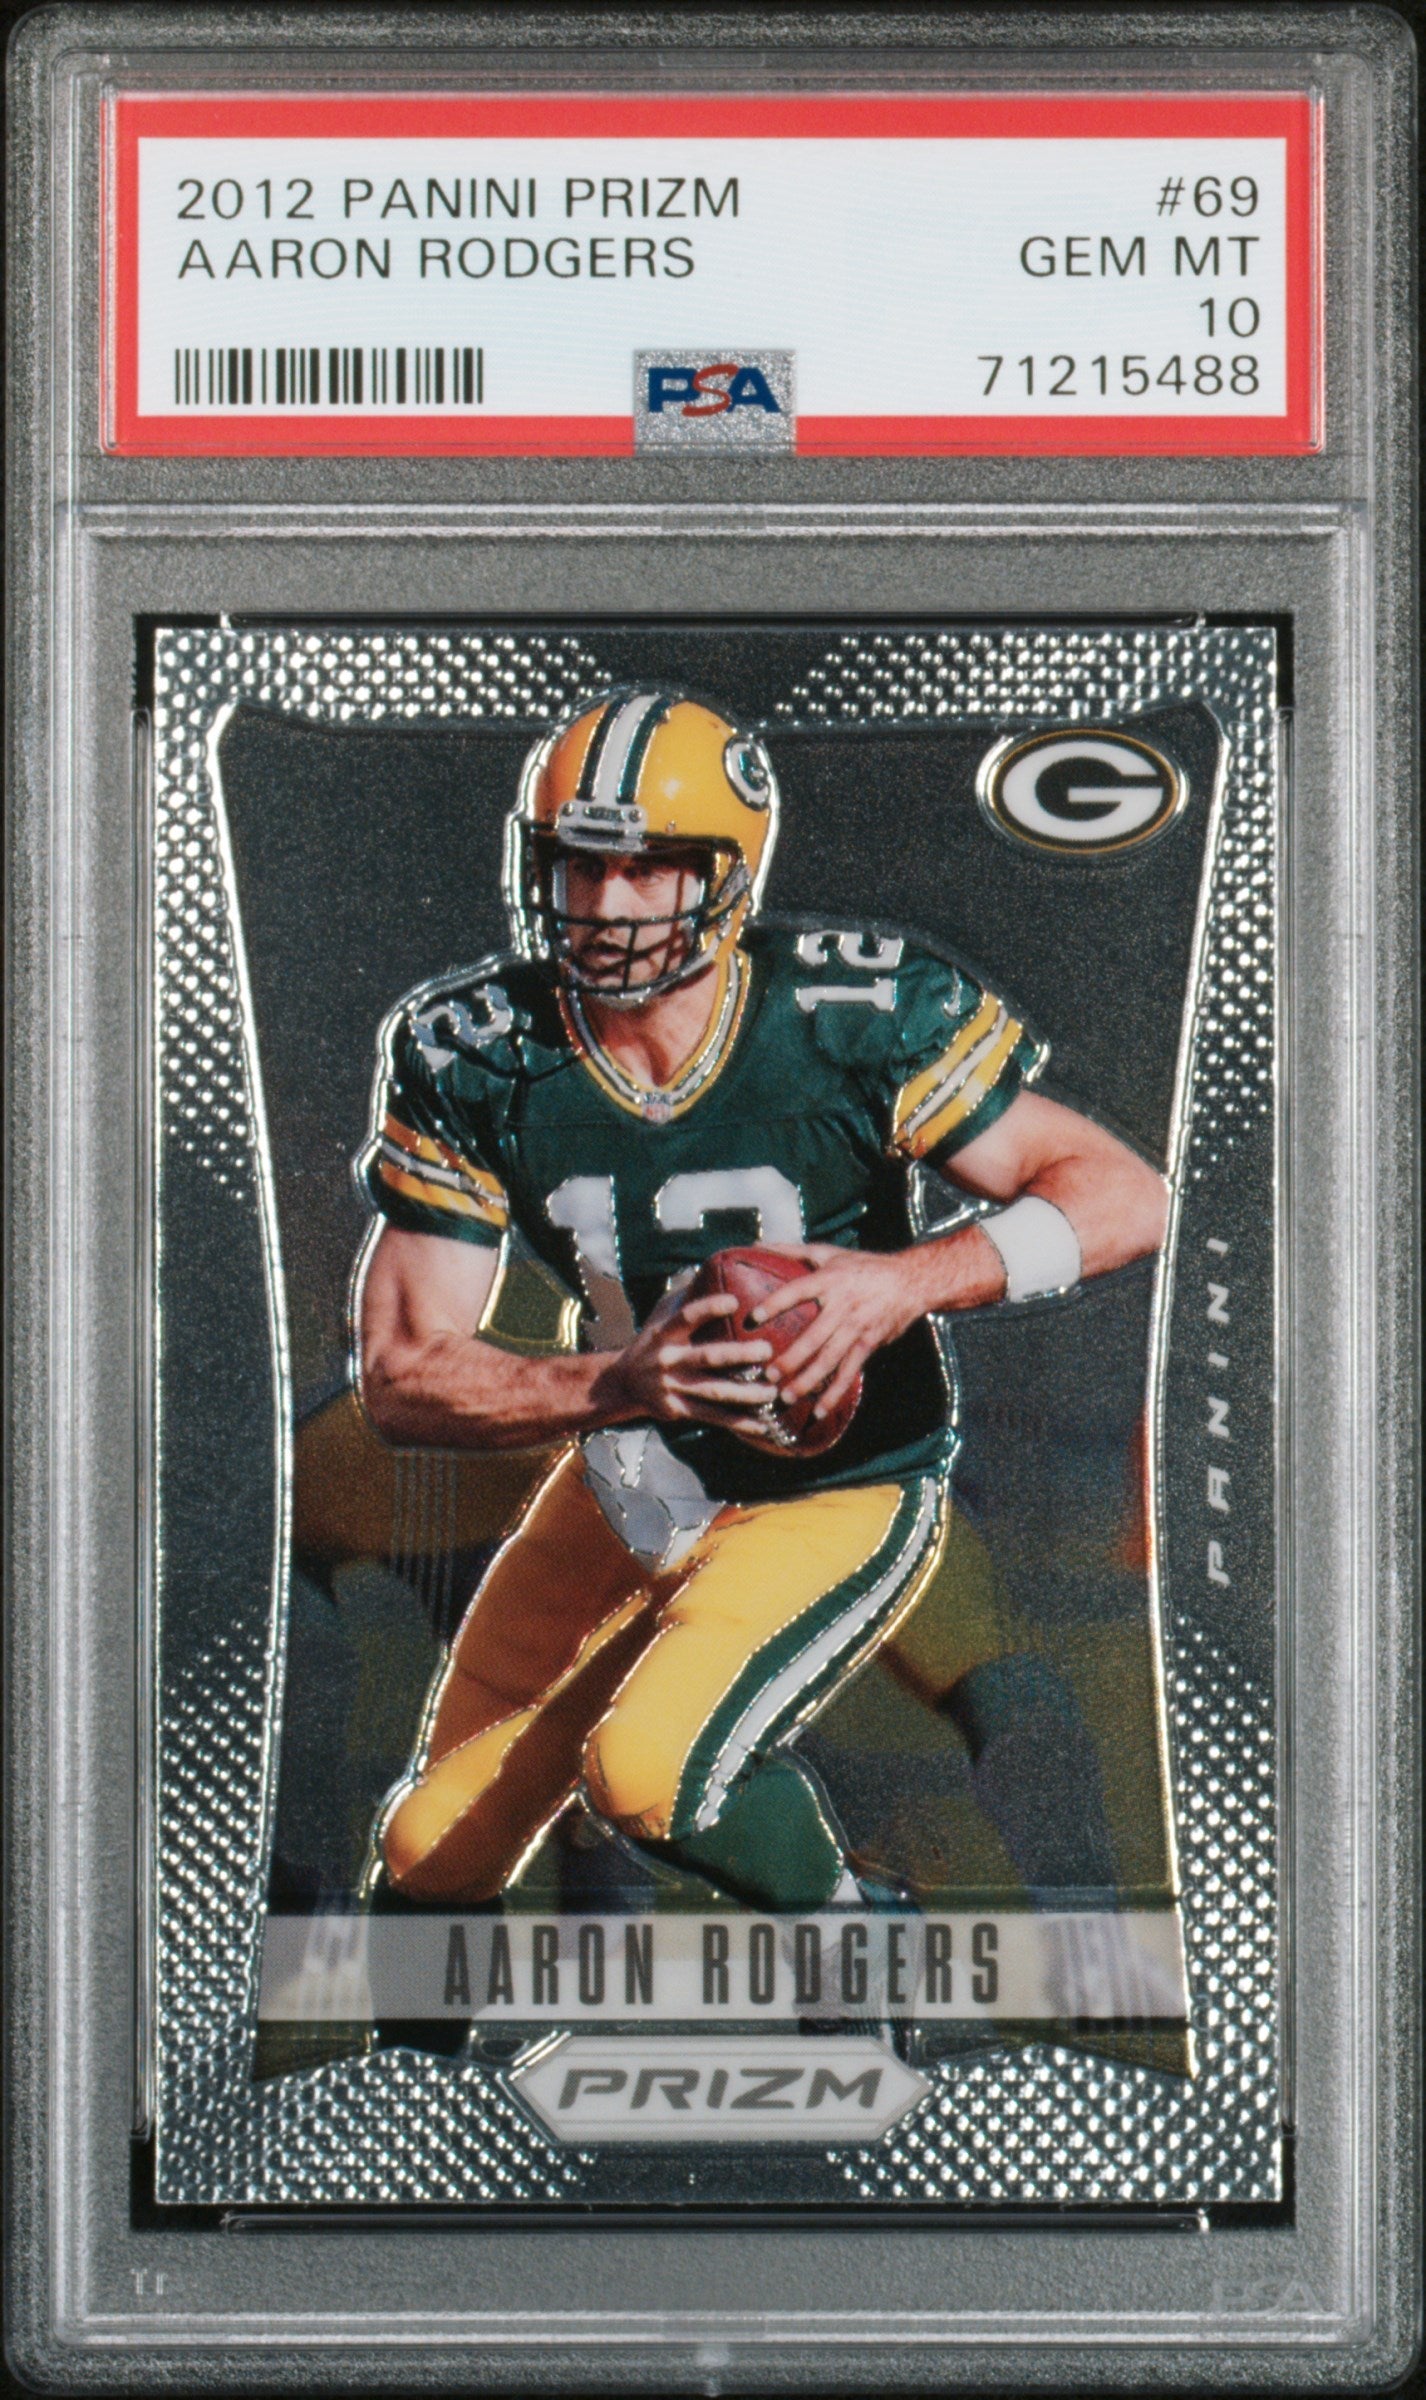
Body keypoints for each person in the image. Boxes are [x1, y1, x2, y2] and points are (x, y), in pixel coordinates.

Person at [355, 687, 1167, 1918]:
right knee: (428, 1854)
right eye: (581, 864)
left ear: (725, 875)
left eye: (651, 868)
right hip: (625, 1482)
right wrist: (619, 1381)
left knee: (650, 1774)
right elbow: (402, 1374)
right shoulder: (480, 1053)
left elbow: (1125, 1196)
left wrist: (904, 1280)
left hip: (829, 1488)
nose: (608, 904)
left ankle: (863, 1947)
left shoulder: (841, 1020)